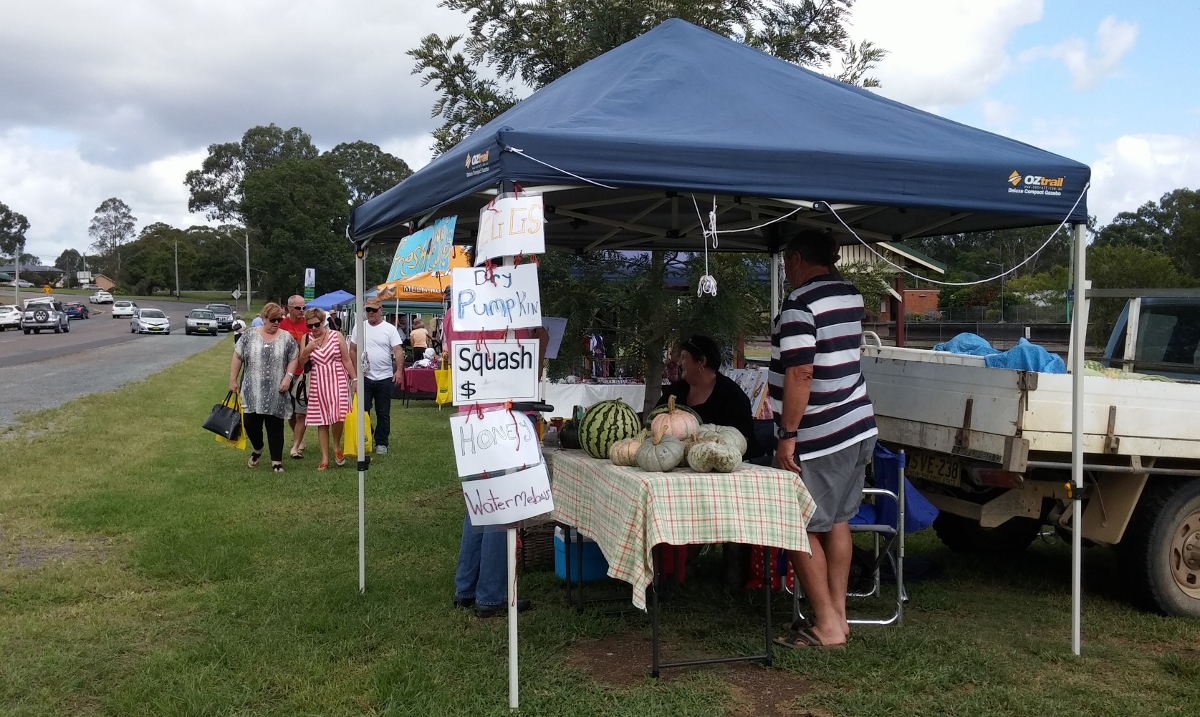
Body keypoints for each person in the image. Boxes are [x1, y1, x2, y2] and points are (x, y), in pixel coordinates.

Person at [770, 230, 877, 650]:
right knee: (836, 521)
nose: (784, 270)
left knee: (794, 523)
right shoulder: (850, 295)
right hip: (857, 424)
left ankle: (828, 626)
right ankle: (838, 617)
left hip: (820, 433)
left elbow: (800, 373)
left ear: (796, 258)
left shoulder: (799, 305)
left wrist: (787, 435)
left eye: (784, 262)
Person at [657, 334, 759, 458]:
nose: (679, 363)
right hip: (674, 458)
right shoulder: (676, 390)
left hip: (723, 462)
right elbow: (656, 419)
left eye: (683, 357)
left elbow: (743, 440)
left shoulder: (731, 395)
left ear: (702, 361)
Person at [228, 302, 299, 474]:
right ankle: (258, 448)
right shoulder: (249, 335)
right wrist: (233, 379)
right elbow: (238, 356)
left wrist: (288, 378)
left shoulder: (286, 337)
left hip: (277, 390)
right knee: (251, 424)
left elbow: (294, 357)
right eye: (273, 319)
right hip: (253, 390)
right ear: (264, 318)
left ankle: (276, 461)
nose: (276, 323)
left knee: (275, 426)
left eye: (279, 319)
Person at [298, 307, 356, 470]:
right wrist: (307, 351)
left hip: (337, 377)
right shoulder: (306, 338)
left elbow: (346, 360)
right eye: (310, 326)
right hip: (318, 380)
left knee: (338, 415)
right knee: (321, 420)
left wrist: (355, 379)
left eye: (316, 325)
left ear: (323, 321)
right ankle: (325, 458)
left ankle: (336, 445)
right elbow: (302, 364)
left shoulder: (336, 336)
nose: (314, 329)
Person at [349, 297, 405, 455]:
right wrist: (355, 374)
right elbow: (352, 349)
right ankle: (367, 435)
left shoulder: (389, 329)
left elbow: (398, 350)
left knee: (383, 412)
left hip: (384, 377)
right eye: (368, 310)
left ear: (381, 310)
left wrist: (399, 371)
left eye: (374, 310)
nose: (371, 313)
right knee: (362, 410)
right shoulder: (359, 327)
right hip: (364, 377)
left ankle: (382, 442)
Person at [279, 295, 310, 459]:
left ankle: (296, 446)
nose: (302, 311)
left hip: (303, 373)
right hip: (285, 374)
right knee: (290, 413)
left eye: (303, 307)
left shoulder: (308, 324)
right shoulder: (282, 324)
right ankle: (299, 437)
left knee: (301, 413)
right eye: (298, 308)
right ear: (289, 308)